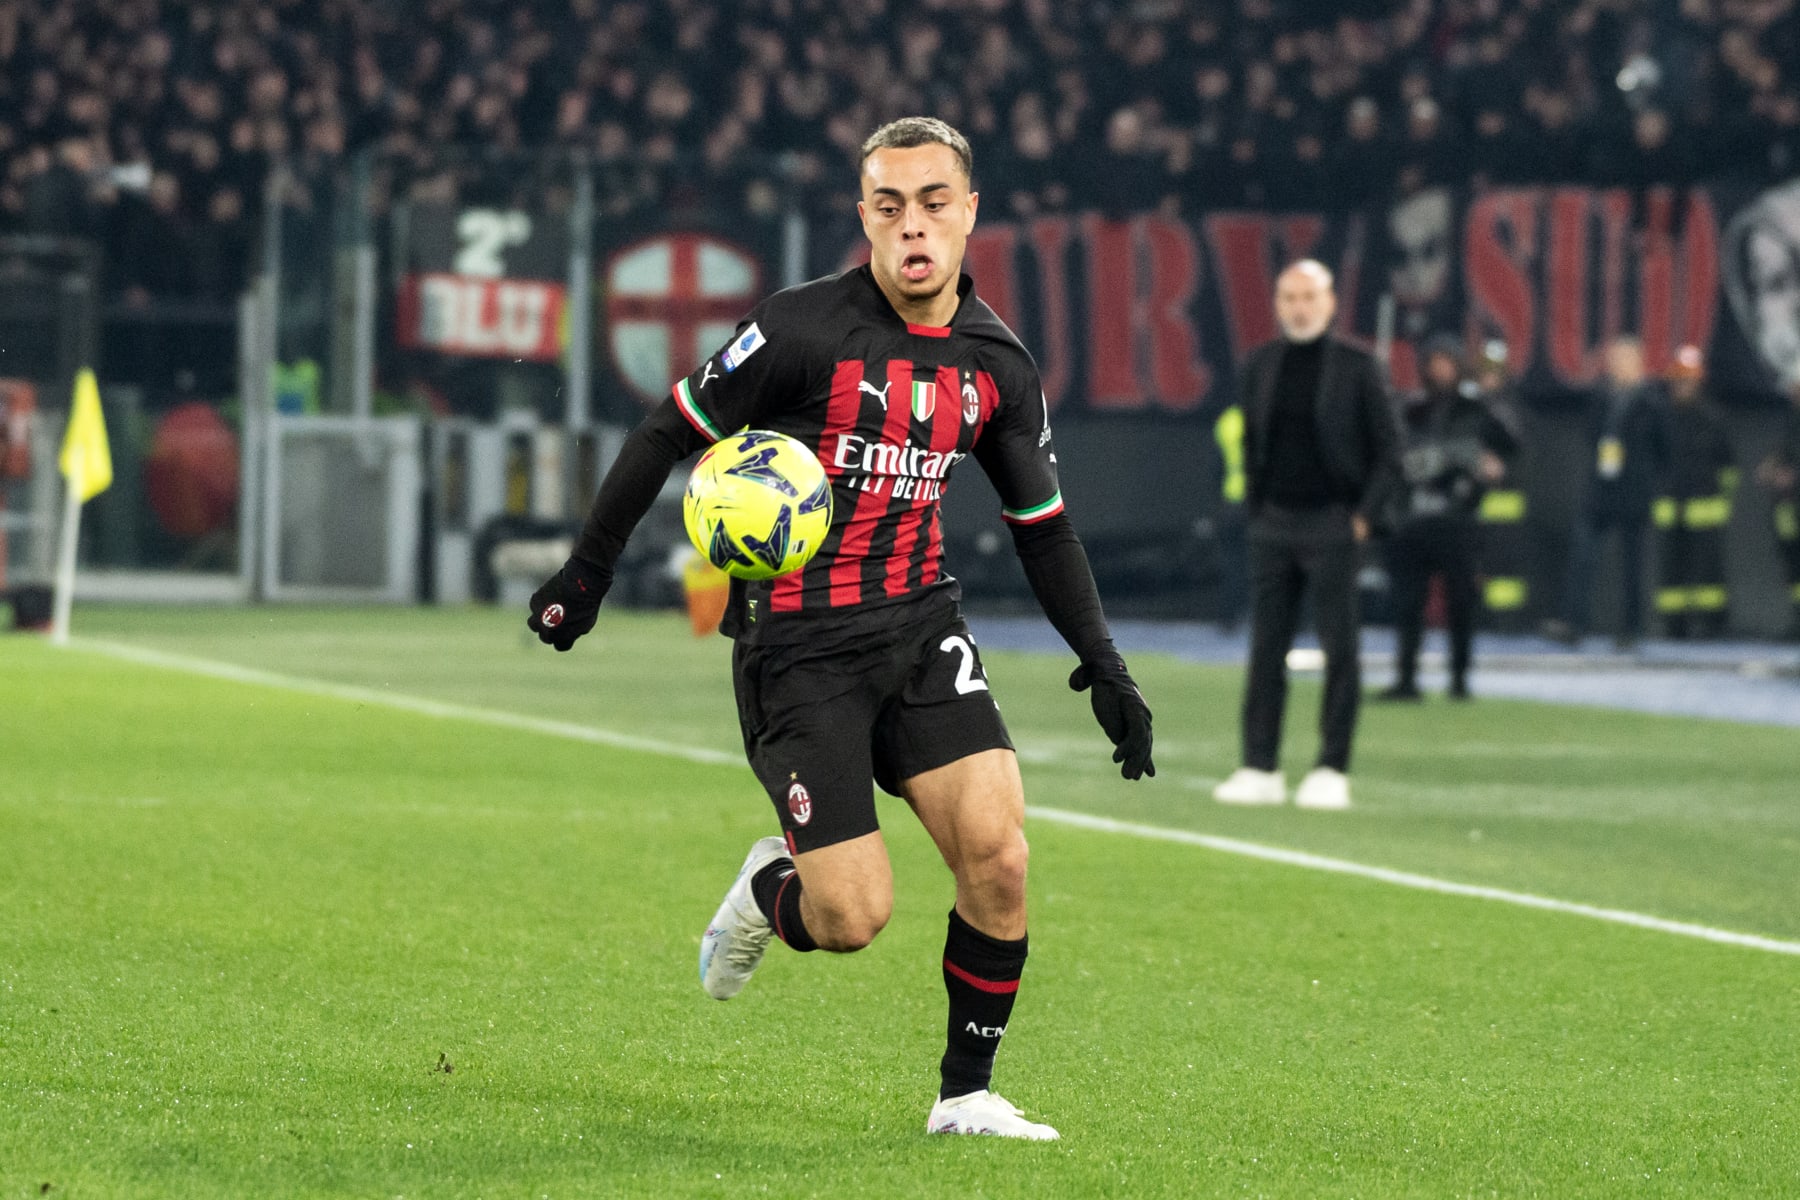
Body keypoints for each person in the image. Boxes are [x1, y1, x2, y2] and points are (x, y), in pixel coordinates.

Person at [525, 117, 1153, 1141]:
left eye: (934, 203)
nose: (914, 227)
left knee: (1000, 858)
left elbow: (1042, 530)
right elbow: (666, 431)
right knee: (852, 919)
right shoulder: (801, 328)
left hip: (919, 630)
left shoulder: (997, 364)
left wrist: (1107, 666)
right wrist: (587, 574)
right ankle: (773, 882)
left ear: (969, 213)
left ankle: (964, 1096)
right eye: (890, 206)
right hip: (799, 650)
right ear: (864, 217)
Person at [1213, 260, 1401, 811]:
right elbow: (1252, 444)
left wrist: (1363, 515)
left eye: (1309, 296)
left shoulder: (1359, 366)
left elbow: (1391, 451)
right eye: (1290, 296)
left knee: (1341, 648)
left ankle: (1331, 767)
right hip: (1273, 521)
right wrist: (1256, 511)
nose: (1299, 306)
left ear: (1331, 302)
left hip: (1333, 521)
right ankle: (1260, 765)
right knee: (1265, 647)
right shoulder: (1260, 365)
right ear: (1277, 302)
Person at [1377, 335, 1518, 701]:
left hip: (1457, 516)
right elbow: (1390, 451)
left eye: (1447, 362)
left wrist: (1486, 463)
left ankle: (1459, 679)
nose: (1440, 370)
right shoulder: (1409, 406)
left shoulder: (1476, 408)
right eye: (1434, 362)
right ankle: (1406, 679)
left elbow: (1511, 444)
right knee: (1407, 602)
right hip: (1414, 517)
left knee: (1461, 602)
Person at [1543, 337, 1671, 651]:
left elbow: (1665, 449)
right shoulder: (1603, 397)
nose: (1615, 366)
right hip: (1601, 489)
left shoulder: (1651, 401)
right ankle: (1574, 624)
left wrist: (1651, 484)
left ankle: (1631, 629)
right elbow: (1593, 436)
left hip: (1634, 492)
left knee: (1632, 566)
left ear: (1638, 363)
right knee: (1582, 555)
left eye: (1622, 359)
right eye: (1612, 360)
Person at [1654, 345, 1736, 639]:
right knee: (1671, 572)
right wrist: (1659, 499)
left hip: (1705, 508)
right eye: (1676, 380)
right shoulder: (1662, 417)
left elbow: (1728, 466)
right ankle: (1674, 626)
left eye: (1686, 380)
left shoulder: (1714, 418)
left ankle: (1712, 625)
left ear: (1699, 381)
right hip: (1671, 508)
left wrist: (1722, 503)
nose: (1680, 386)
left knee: (1707, 573)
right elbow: (1656, 464)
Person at [1754, 383, 1800, 637]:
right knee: (1792, 563)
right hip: (1788, 508)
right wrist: (1771, 469)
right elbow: (1785, 453)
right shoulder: (1792, 420)